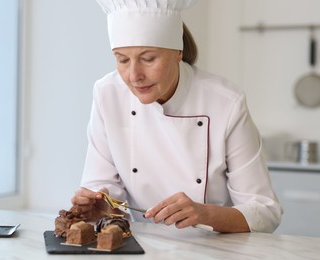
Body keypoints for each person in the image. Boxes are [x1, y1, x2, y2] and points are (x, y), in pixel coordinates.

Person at [71, 0, 283, 233]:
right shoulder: (107, 94)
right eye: (122, 60)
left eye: (149, 58)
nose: (134, 76)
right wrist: (100, 206)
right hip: (142, 245)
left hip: (213, 248)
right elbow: (103, 188)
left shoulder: (225, 102)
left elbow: (265, 212)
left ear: (178, 53)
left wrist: (204, 213)